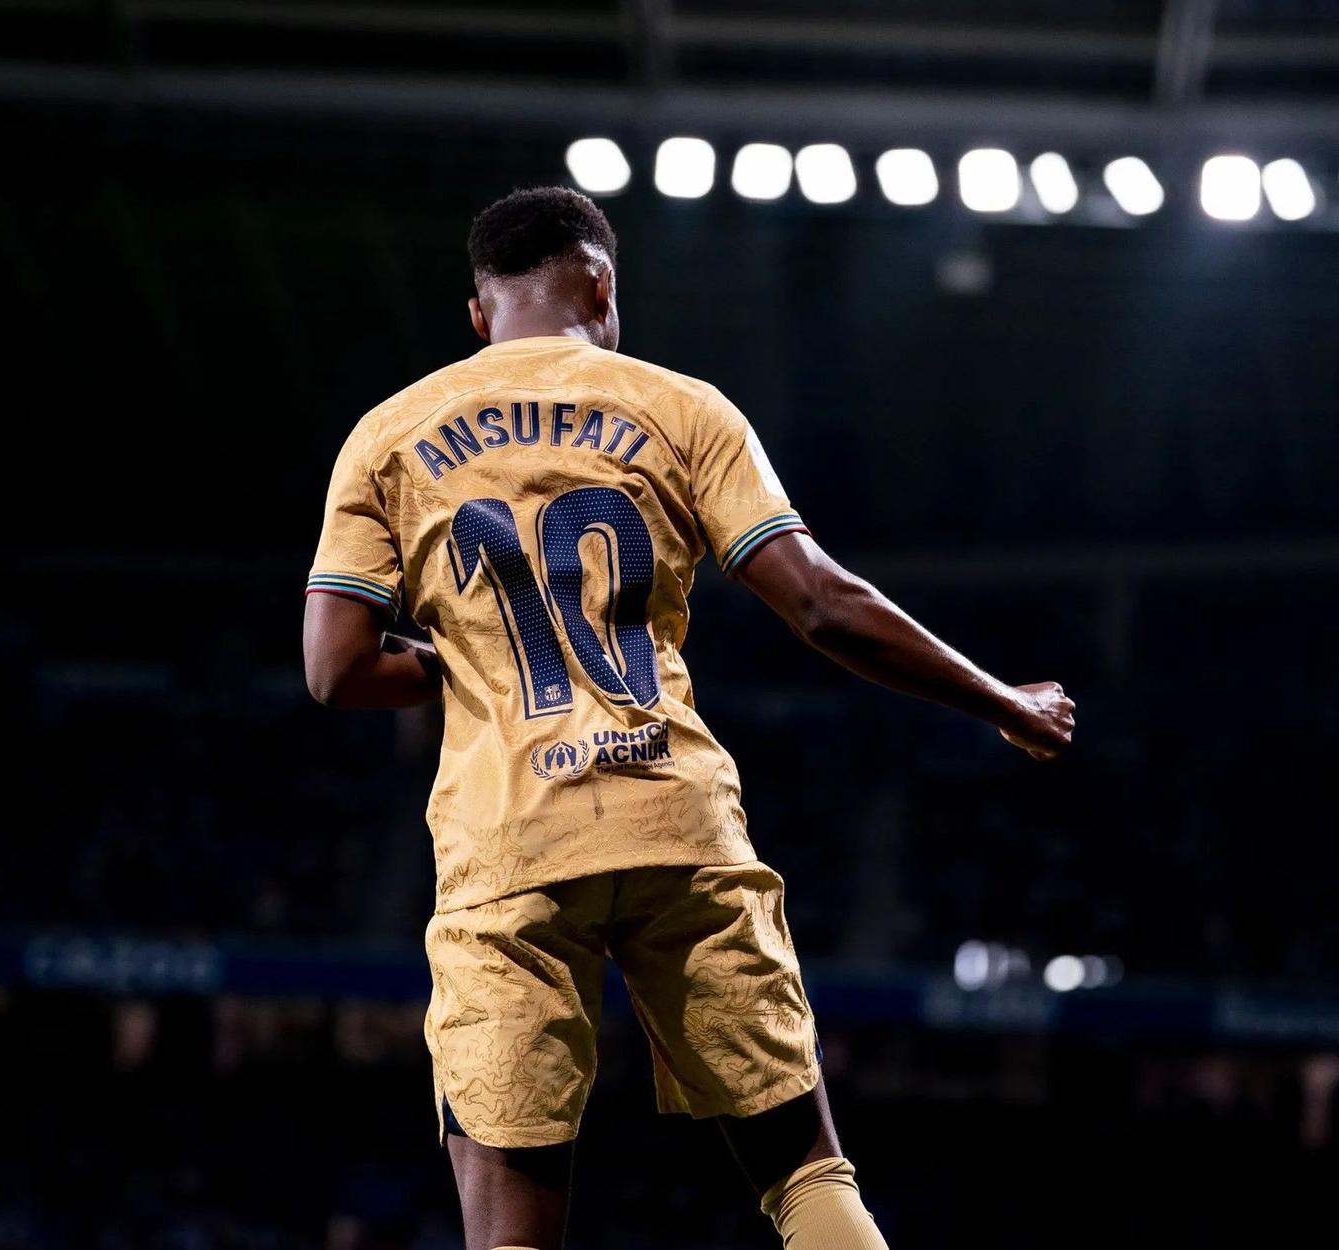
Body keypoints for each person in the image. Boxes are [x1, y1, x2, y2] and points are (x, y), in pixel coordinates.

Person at [302, 186, 1076, 1250]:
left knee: (511, 1234)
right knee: (807, 1177)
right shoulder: (684, 407)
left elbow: (334, 668)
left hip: (507, 850)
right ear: (603, 287)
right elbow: (818, 601)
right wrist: (998, 697)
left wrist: (459, 663)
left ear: (478, 315)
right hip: (676, 823)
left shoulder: (386, 435)